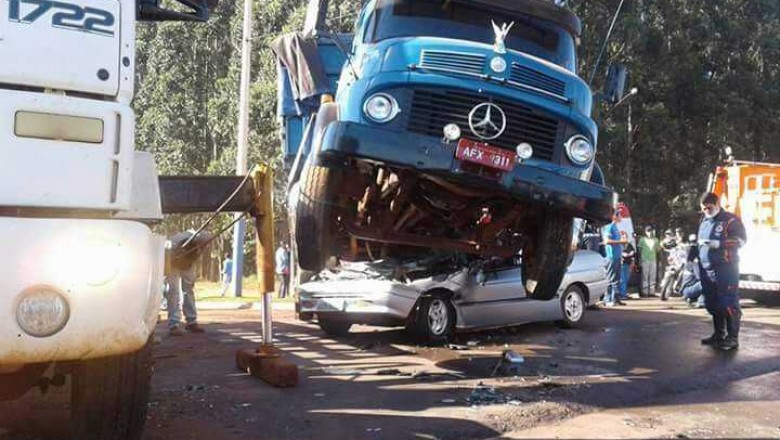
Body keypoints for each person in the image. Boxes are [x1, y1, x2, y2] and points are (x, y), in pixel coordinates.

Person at [696, 192, 747, 351]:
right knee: (712, 302)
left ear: (717, 204)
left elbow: (741, 240)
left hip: (726, 268)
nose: (706, 211)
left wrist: (720, 243)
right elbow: (699, 243)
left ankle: (732, 338)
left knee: (728, 302)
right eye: (703, 208)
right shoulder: (704, 220)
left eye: (708, 208)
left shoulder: (730, 220)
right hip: (707, 269)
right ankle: (719, 333)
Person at [166, 230, 211, 336]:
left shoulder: (198, 243)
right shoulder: (176, 242)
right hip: (172, 260)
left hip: (188, 262)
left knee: (189, 290)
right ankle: (174, 324)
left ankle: (191, 322)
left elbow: (196, 255)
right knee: (173, 291)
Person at [602, 210, 629, 307]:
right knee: (611, 278)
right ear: (614, 216)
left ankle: (616, 298)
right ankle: (608, 299)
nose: (621, 217)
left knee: (617, 279)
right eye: (619, 215)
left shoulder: (616, 227)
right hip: (611, 257)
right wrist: (621, 241)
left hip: (617, 257)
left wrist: (622, 242)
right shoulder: (609, 226)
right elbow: (606, 241)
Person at [637, 226, 661, 297]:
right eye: (648, 231)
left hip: (653, 259)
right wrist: (640, 260)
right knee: (645, 276)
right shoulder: (642, 239)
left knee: (652, 276)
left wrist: (661, 246)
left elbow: (657, 250)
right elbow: (639, 250)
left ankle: (651, 292)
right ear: (645, 232)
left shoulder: (656, 240)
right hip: (645, 259)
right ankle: (645, 292)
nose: (649, 232)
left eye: (650, 231)